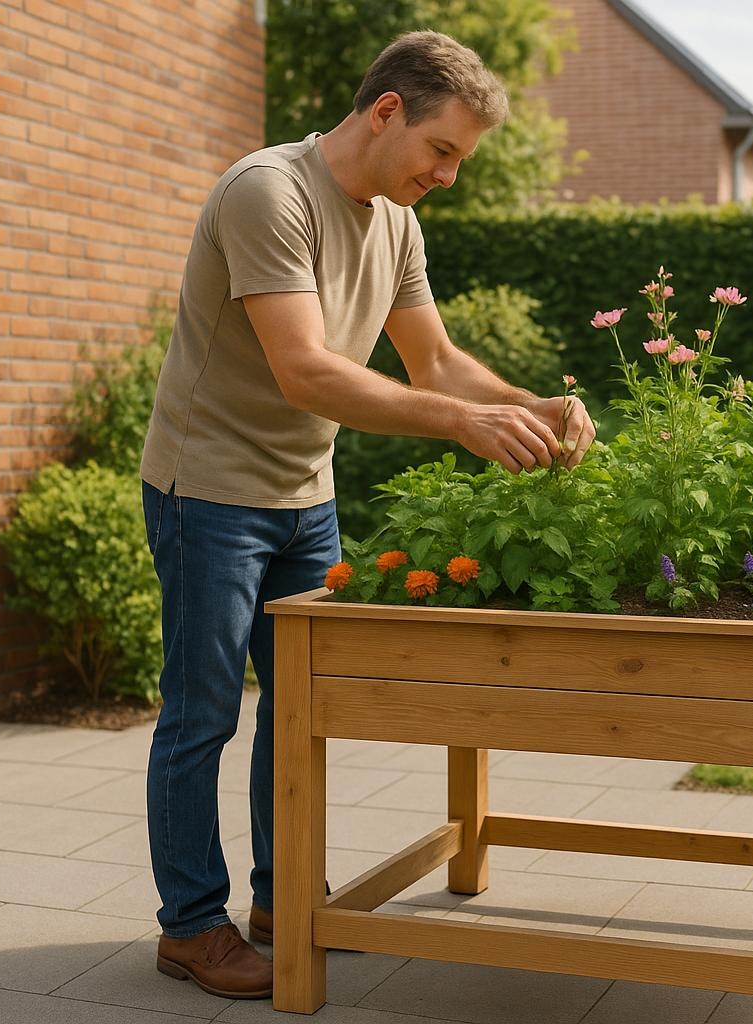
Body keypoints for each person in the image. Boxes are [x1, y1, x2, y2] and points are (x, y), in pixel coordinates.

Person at [137, 30, 596, 1000]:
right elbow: (306, 368)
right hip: (209, 492)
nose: (449, 174)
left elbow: (436, 364)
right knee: (203, 712)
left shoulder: (395, 223)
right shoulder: (269, 192)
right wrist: (464, 426)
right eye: (444, 150)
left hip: (306, 499)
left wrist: (527, 405)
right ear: (386, 110)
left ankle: (283, 898)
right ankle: (190, 925)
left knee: (300, 713)